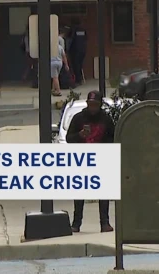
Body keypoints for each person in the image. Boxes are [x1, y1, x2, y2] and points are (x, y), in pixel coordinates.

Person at [66, 90, 115, 233]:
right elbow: (69, 138)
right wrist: (80, 135)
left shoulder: (105, 119)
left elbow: (113, 138)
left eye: (95, 105)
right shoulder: (78, 118)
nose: (92, 107)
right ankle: (76, 223)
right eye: (90, 104)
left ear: (100, 105)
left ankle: (104, 223)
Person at [68, 18, 87, 85]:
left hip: (75, 50)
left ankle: (77, 80)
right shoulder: (83, 30)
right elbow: (86, 38)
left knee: (75, 65)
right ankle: (80, 78)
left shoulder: (73, 29)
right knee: (80, 65)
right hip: (83, 50)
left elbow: (70, 38)